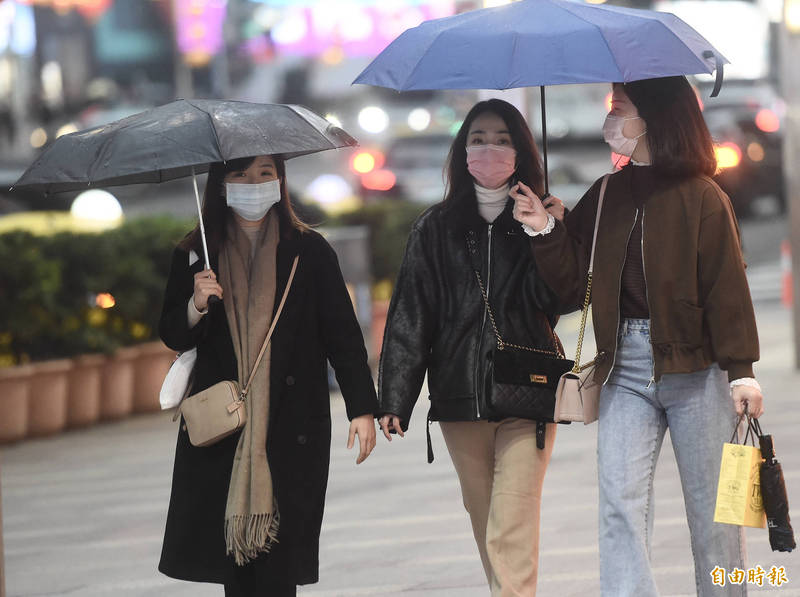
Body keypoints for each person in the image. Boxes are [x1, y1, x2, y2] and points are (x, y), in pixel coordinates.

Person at [512, 76, 764, 597]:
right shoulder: (606, 193)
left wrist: (742, 372)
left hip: (698, 370)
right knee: (619, 504)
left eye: (618, 108)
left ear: (652, 116)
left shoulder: (704, 197)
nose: (610, 120)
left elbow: (728, 288)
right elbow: (568, 286)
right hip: (622, 367)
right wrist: (544, 229)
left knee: (716, 517)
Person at [158, 154, 378, 596]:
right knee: (234, 569)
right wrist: (196, 303)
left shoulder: (309, 249)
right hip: (223, 427)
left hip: (292, 425)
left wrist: (362, 409)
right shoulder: (198, 252)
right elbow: (172, 334)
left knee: (279, 565)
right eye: (240, 173)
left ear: (280, 180)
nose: (253, 183)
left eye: (264, 173)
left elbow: (342, 334)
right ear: (221, 184)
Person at [378, 98, 566, 597]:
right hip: (460, 396)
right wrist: (395, 398)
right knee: (487, 523)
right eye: (479, 138)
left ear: (520, 153)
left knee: (513, 517)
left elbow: (559, 300)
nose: (489, 149)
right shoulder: (435, 228)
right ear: (462, 151)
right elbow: (411, 315)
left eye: (503, 140)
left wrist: (542, 232)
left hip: (529, 391)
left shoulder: (544, 220)